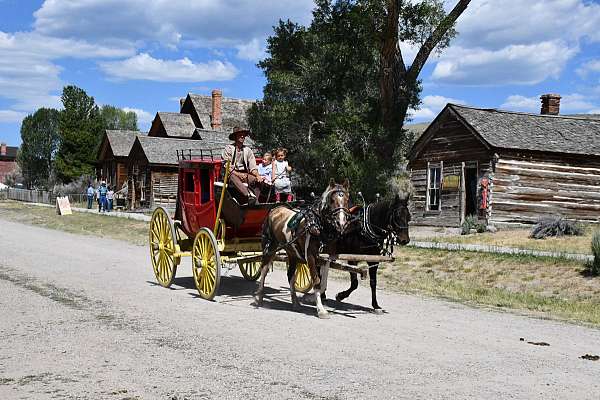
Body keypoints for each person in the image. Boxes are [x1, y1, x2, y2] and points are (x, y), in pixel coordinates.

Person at [221, 126, 266, 205]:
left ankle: (255, 202)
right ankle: (249, 196)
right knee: (232, 176)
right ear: (235, 137)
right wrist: (238, 174)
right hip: (231, 174)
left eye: (243, 135)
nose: (242, 136)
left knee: (257, 180)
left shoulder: (248, 150)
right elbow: (226, 166)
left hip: (244, 174)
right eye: (240, 135)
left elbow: (253, 167)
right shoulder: (228, 149)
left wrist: (258, 175)